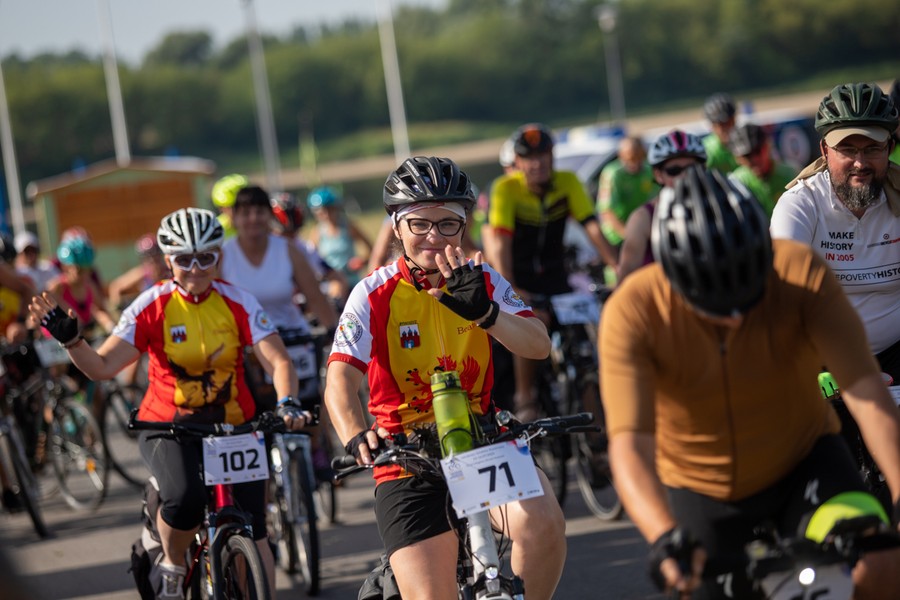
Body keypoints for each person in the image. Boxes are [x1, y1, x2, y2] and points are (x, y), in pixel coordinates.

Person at [600, 164, 900, 599]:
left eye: (746, 294)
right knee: (689, 582)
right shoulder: (634, 311)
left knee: (881, 559)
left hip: (805, 462)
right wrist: (664, 537)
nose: (734, 317)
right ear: (671, 275)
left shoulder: (798, 272)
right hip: (701, 485)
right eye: (712, 306)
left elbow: (865, 391)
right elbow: (629, 444)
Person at [28, 207, 312, 600]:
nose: (195, 269)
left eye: (205, 258)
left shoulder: (239, 301)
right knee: (186, 501)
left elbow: (277, 359)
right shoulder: (151, 304)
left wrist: (288, 401)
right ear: (167, 261)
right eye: (183, 259)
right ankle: (174, 562)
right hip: (168, 424)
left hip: (235, 425)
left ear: (219, 257)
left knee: (256, 527)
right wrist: (73, 341)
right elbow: (103, 366)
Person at [324, 156, 565, 600]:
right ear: (396, 228)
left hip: (480, 438)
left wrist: (488, 315)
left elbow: (538, 344)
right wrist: (356, 433)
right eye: (419, 223)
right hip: (404, 453)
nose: (434, 236)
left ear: (463, 226)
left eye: (448, 223)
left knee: (543, 525)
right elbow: (340, 377)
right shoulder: (372, 293)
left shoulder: (483, 279)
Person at [770, 81, 900, 382]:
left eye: (872, 149)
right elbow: (783, 293)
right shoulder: (800, 204)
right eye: (848, 149)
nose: (860, 163)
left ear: (889, 148)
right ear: (825, 151)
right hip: (824, 363)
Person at [488, 122, 616, 421]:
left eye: (544, 155)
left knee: (584, 347)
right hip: (520, 280)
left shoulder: (568, 182)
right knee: (533, 322)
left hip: (557, 279)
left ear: (552, 156)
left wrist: (617, 265)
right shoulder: (506, 190)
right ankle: (525, 396)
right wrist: (509, 287)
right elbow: (500, 242)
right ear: (518, 163)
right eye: (529, 158)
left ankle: (595, 422)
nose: (537, 163)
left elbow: (592, 226)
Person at [616, 130, 707, 282]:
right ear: (658, 175)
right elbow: (625, 281)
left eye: (691, 169)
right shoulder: (643, 219)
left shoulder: (721, 206)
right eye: (674, 171)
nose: (683, 176)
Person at [270, 191, 350, 307]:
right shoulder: (260, 254)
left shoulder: (305, 249)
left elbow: (337, 278)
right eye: (284, 234)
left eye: (294, 233)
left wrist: (335, 300)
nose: (290, 240)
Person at [595, 136, 659, 266]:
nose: (634, 163)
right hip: (618, 237)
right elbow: (606, 211)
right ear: (621, 156)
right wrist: (628, 235)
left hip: (642, 232)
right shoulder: (613, 174)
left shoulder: (648, 170)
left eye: (638, 157)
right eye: (629, 158)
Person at [47, 235, 116, 336]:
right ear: (66, 267)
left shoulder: (89, 287)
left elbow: (100, 310)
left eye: (87, 269)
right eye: (79, 270)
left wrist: (111, 326)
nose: (84, 274)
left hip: (81, 338)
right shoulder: (57, 288)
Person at [306, 185, 373, 287]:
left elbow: (372, 249)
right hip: (330, 282)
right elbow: (311, 258)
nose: (326, 214)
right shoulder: (317, 232)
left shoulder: (348, 226)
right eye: (321, 211)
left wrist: (362, 261)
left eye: (329, 209)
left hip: (351, 279)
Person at [728, 123, 797, 218]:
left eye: (757, 151)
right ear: (737, 158)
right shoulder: (736, 183)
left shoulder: (792, 174)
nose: (754, 160)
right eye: (747, 156)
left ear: (768, 145)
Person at [107, 234, 172, 310]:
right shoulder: (143, 273)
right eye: (147, 259)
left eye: (155, 258)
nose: (152, 262)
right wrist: (117, 308)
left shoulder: (170, 272)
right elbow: (115, 287)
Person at [702, 92, 740, 174]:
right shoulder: (706, 152)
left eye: (729, 122)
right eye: (721, 124)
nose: (726, 128)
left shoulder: (747, 142)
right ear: (712, 126)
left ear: (734, 119)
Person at [210, 173, 249, 239]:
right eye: (234, 207)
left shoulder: (259, 225)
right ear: (222, 209)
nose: (241, 211)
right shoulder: (215, 229)